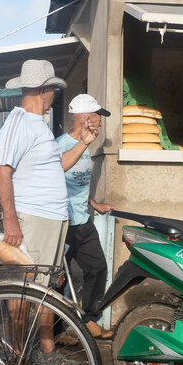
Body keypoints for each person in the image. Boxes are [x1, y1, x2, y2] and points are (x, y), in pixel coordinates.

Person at [0, 59, 77, 365]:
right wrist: (11, 220)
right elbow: (1, 171)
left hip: (50, 218)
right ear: (45, 91)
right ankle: (16, 357)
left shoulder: (37, 124)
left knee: (45, 287)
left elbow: (56, 168)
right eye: (53, 89)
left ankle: (45, 348)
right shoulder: (20, 122)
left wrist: (82, 141)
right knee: (24, 289)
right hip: (33, 218)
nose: (54, 94)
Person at [56, 94, 115, 339]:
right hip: (63, 224)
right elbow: (54, 177)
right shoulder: (60, 145)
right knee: (58, 280)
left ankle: (89, 318)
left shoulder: (87, 145)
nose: (101, 123)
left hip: (83, 220)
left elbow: (78, 183)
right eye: (98, 117)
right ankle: (54, 331)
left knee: (98, 268)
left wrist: (93, 203)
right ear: (87, 118)